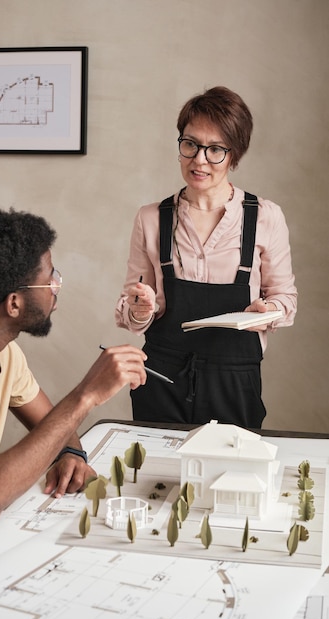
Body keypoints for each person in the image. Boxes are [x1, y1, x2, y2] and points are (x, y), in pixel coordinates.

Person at [0, 207, 147, 573]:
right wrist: (86, 394)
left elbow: (55, 427)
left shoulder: (5, 353)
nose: (57, 286)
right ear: (14, 303)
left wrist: (71, 454)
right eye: (50, 277)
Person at [115, 86, 297, 428]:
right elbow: (131, 310)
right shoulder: (151, 218)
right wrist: (140, 308)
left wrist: (267, 311)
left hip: (234, 381)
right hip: (161, 378)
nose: (199, 159)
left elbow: (285, 298)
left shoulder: (265, 217)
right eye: (190, 144)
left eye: (215, 149)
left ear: (234, 155)